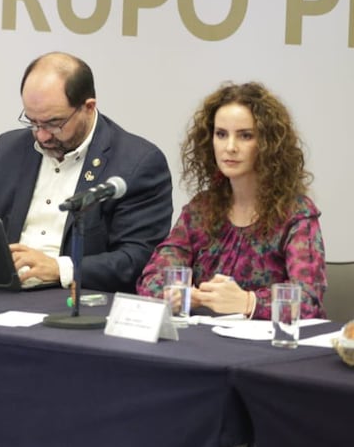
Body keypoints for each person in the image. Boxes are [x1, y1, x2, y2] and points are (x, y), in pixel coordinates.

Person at [0, 52, 173, 293]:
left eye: (53, 123)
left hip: (74, 295)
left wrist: (60, 269)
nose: (41, 136)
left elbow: (137, 259)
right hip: (5, 290)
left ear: (88, 108)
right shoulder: (9, 148)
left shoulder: (137, 163)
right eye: (32, 122)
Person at [136, 82, 326, 319]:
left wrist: (248, 302)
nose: (230, 147)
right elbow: (151, 278)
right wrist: (173, 293)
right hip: (202, 337)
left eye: (245, 136)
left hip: (271, 341)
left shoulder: (296, 213)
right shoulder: (201, 208)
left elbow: (308, 300)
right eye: (221, 134)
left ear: (269, 144)